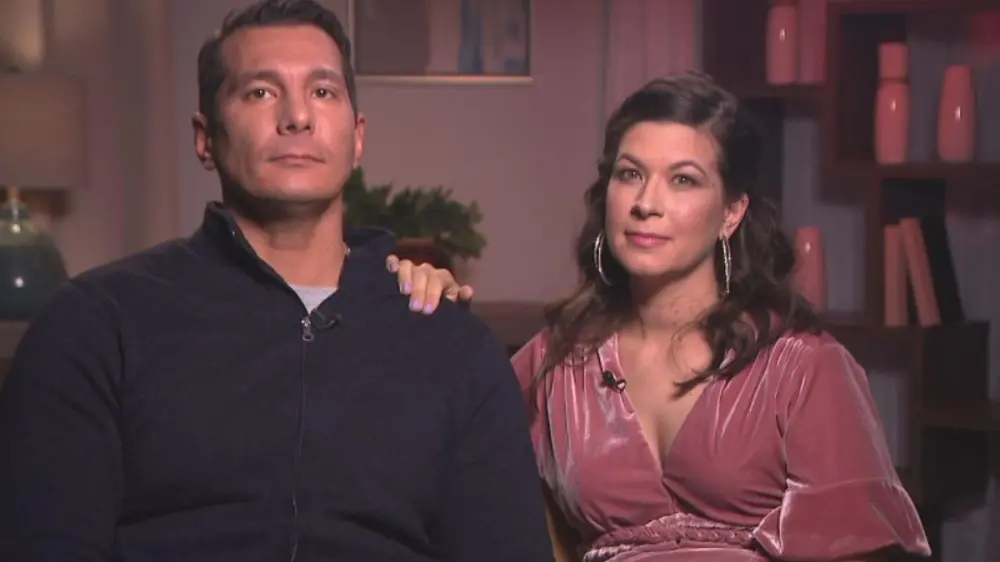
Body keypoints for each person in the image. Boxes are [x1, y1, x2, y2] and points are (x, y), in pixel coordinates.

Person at [0, 1, 554, 561]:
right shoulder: (97, 324)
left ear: (357, 138)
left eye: (323, 91)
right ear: (205, 137)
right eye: (261, 92)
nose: (297, 117)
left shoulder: (449, 347)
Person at [387, 72, 931, 561]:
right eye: (630, 174)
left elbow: (858, 552)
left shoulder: (803, 367)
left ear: (732, 211)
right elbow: (435, 471)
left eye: (683, 180)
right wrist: (429, 315)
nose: (647, 203)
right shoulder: (557, 361)